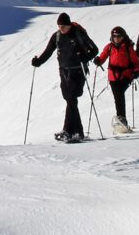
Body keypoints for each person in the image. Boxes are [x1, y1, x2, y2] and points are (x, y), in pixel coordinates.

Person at [31, 12, 99, 142]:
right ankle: (75, 132)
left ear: (69, 25)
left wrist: (84, 57)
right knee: (70, 100)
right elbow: (48, 51)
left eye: (64, 26)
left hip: (78, 72)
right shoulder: (56, 36)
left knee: (71, 99)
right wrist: (38, 61)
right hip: (63, 72)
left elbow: (94, 50)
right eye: (59, 26)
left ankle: (70, 131)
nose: (61, 29)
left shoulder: (78, 33)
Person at [95, 26, 139, 134]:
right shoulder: (109, 47)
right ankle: (122, 120)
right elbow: (103, 57)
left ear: (123, 36)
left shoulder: (128, 47)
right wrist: (98, 60)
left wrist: (136, 71)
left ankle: (121, 119)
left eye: (119, 36)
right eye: (114, 36)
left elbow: (136, 61)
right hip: (112, 77)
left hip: (126, 76)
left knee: (119, 95)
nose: (117, 38)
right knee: (118, 96)